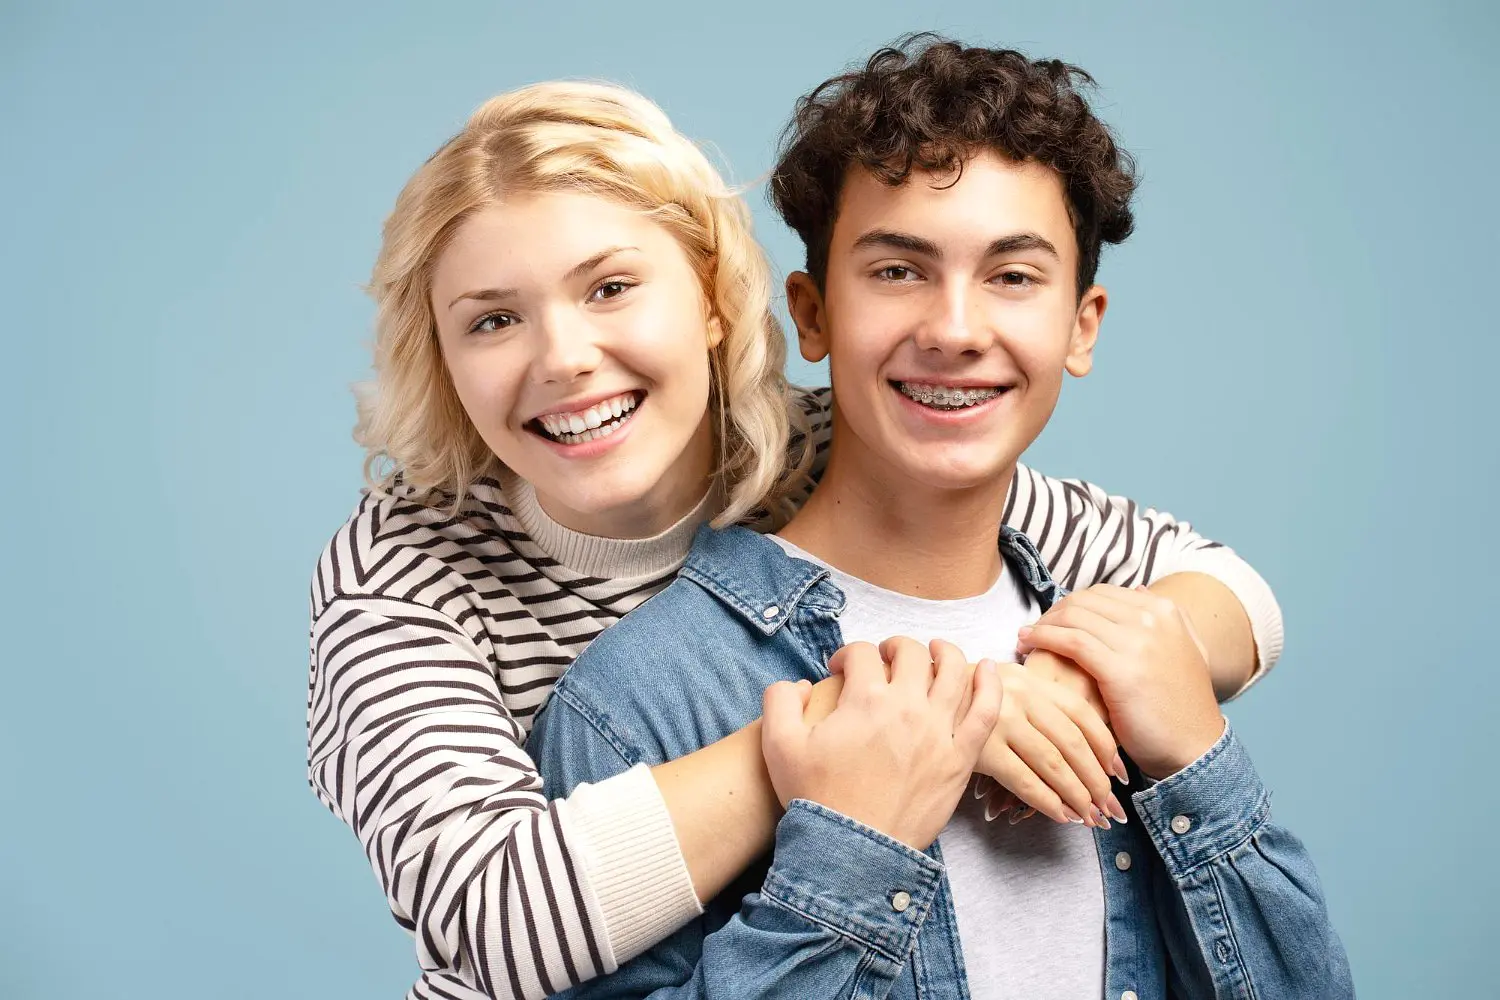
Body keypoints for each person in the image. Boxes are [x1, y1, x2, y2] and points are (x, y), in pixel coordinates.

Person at [308, 77, 1283, 1000]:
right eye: (493, 321)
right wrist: (913, 725)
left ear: (713, 300)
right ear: (439, 357)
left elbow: (1225, 589)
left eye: (609, 289)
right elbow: (493, 919)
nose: (564, 357)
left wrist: (1073, 676)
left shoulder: (818, 450)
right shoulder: (401, 571)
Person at [528, 36, 1351, 999]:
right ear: (813, 313)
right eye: (897, 271)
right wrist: (850, 851)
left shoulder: (1127, 648)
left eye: (1012, 276)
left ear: (1081, 326)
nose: (955, 331)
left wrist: (1197, 763)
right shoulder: (644, 699)